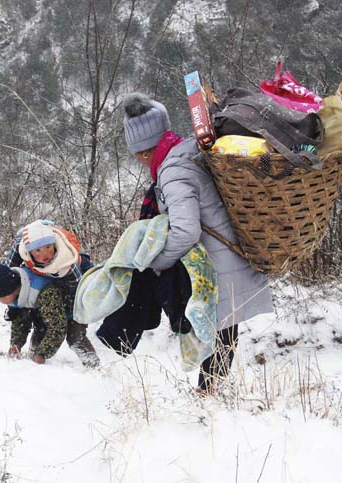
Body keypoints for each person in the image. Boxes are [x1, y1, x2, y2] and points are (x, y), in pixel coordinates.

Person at [111, 92, 273, 392]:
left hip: (217, 262)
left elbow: (186, 231)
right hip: (228, 255)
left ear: (140, 151)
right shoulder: (187, 151)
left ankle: (207, 394)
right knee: (222, 331)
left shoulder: (172, 172)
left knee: (218, 332)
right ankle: (209, 391)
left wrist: (157, 261)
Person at [0, 235, 99, 367]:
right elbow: (20, 322)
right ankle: (33, 358)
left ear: (10, 290)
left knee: (75, 338)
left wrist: (42, 354)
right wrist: (17, 344)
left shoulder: (43, 291)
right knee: (40, 331)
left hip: (74, 304)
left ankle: (93, 365)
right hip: (51, 309)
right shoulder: (18, 292)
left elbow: (58, 328)